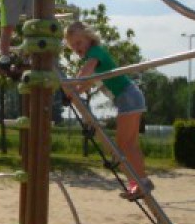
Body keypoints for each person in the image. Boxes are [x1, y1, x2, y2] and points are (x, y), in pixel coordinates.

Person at [62, 21, 151, 199]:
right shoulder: (94, 57)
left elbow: (85, 75)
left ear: (89, 38)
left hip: (127, 97)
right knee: (128, 144)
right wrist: (74, 93)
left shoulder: (95, 53)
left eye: (79, 43)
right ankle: (139, 182)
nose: (77, 48)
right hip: (130, 96)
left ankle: (140, 182)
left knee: (124, 145)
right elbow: (88, 82)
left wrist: (72, 86)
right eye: (73, 47)